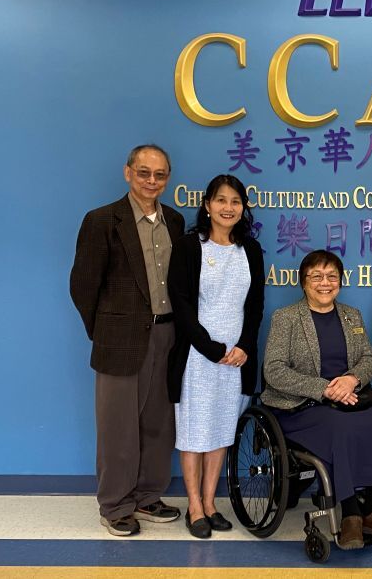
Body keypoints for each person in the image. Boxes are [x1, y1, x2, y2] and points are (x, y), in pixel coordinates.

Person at [70, 144, 184, 536]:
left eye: (160, 174)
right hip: (119, 338)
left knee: (159, 424)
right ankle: (116, 505)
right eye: (144, 172)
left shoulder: (174, 221)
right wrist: (104, 331)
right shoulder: (102, 220)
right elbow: (83, 286)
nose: (152, 181)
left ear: (167, 178)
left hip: (167, 334)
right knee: (117, 428)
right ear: (128, 172)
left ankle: (148, 496)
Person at [262, 250, 372, 550]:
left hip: (348, 398)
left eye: (332, 276)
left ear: (340, 281)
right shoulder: (286, 318)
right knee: (341, 429)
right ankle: (351, 514)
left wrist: (352, 379)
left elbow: (367, 360)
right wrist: (324, 388)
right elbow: (274, 370)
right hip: (301, 406)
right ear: (304, 282)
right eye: (316, 276)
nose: (325, 283)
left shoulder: (351, 315)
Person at [167, 175, 264, 539]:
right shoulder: (189, 246)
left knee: (222, 430)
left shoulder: (249, 249)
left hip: (236, 359)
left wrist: (244, 347)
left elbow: (256, 306)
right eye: (221, 200)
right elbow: (181, 304)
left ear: (243, 208)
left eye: (235, 201)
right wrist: (211, 348)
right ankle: (194, 506)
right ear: (207, 205)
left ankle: (210, 503)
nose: (228, 207)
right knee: (194, 432)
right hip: (197, 357)